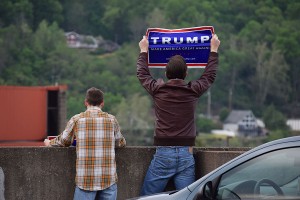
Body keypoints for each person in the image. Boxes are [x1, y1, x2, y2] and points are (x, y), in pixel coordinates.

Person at [137, 34, 220, 195]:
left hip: (163, 153)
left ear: (166, 73)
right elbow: (209, 76)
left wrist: (143, 50)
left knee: (147, 198)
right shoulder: (193, 91)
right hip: (186, 154)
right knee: (187, 197)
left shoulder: (158, 90)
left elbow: (142, 74)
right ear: (186, 73)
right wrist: (214, 50)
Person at [44, 87, 126, 200]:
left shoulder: (77, 119)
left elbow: (63, 141)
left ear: (86, 102)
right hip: (108, 179)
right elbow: (120, 142)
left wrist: (49, 143)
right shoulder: (112, 120)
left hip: (85, 180)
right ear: (102, 103)